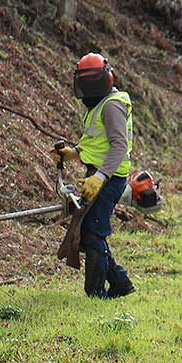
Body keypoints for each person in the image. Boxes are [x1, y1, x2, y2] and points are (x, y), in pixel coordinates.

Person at [52, 53, 135, 299]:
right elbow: (96, 144)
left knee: (92, 232)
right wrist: (72, 154)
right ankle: (120, 282)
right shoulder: (99, 105)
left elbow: (119, 146)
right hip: (99, 175)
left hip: (110, 178)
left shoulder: (111, 106)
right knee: (88, 230)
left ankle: (98, 292)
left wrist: (100, 177)